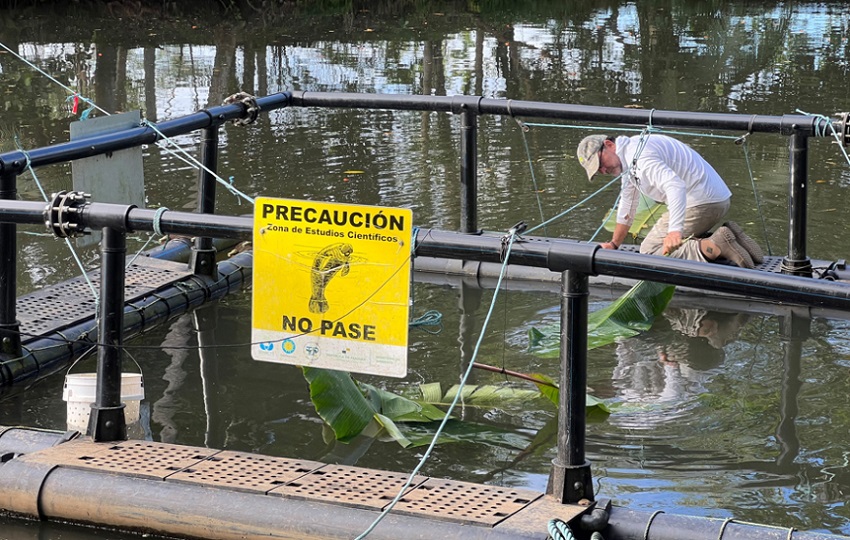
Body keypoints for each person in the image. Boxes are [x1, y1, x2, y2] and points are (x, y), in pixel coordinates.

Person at [576, 133, 764, 268]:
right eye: (597, 170)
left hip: (701, 202)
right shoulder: (631, 155)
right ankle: (733, 234)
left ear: (609, 145)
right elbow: (628, 203)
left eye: (600, 163)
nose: (602, 171)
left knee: (649, 251)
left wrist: (675, 231)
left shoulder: (639, 157)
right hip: (715, 200)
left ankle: (715, 244)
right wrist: (614, 244)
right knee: (659, 243)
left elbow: (675, 186)